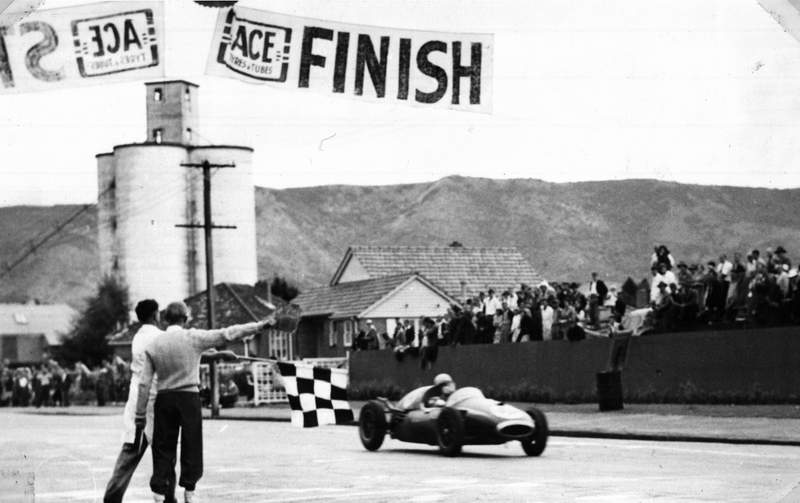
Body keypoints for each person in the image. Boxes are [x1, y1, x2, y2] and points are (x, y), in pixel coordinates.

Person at [135, 301, 273, 503]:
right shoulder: (193, 337)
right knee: (191, 443)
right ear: (185, 318)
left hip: (164, 399)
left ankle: (159, 491)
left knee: (163, 446)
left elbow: (144, 383)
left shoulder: (154, 344)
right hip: (188, 397)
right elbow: (228, 333)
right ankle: (189, 491)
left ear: (165, 319)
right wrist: (259, 326)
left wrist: (140, 414)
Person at [104, 299, 177, 503]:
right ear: (155, 315)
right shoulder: (161, 337)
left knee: (129, 453)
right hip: (154, 400)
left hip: (136, 398)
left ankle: (111, 499)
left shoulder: (137, 337)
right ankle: (169, 499)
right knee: (165, 455)